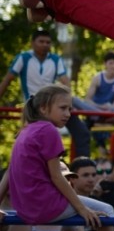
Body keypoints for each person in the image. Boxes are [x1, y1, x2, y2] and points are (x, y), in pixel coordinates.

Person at [0, 84, 114, 231]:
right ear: (44, 108)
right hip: (45, 206)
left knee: (71, 218)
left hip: (25, 207)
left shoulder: (25, 131)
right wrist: (82, 208)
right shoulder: (48, 130)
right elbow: (56, 176)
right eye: (63, 108)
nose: (68, 113)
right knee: (108, 211)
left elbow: (8, 174)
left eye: (70, 108)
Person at [0, 28, 91, 157]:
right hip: (33, 106)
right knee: (34, 137)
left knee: (82, 132)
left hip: (52, 105)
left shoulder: (55, 59)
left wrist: (68, 104)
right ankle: (22, 166)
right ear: (32, 43)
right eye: (41, 41)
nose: (45, 45)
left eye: (48, 42)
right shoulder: (23, 58)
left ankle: (82, 167)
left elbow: (66, 82)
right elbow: (7, 80)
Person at [73, 51, 114, 156]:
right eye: (111, 63)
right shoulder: (98, 78)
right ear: (105, 64)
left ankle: (102, 118)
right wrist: (101, 108)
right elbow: (87, 100)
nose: (113, 66)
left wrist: (109, 108)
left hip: (110, 111)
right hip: (95, 110)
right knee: (74, 100)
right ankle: (102, 118)